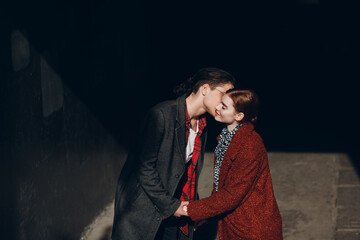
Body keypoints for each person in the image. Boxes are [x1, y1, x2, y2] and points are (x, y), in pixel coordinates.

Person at [111, 68, 236, 240]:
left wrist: (195, 210)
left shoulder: (202, 126)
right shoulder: (161, 115)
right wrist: (172, 206)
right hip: (144, 210)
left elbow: (188, 175)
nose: (227, 101)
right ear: (205, 89)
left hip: (175, 209)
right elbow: (144, 170)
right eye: (225, 94)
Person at [183, 89, 283, 240]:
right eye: (220, 103)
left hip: (252, 227)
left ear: (239, 116)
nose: (217, 108)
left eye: (224, 107)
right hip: (238, 221)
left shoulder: (250, 145)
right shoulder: (226, 137)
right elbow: (220, 184)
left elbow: (231, 194)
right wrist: (208, 215)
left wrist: (190, 210)